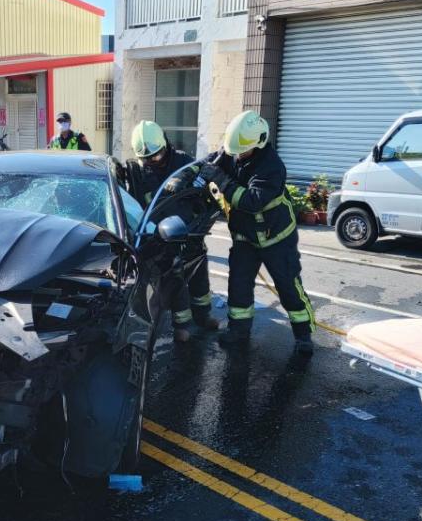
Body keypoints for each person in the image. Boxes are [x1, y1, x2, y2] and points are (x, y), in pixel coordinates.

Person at [173, 111, 315, 355]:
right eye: (234, 150)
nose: (236, 156)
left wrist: (220, 179)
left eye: (242, 151)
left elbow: (251, 201)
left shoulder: (271, 167)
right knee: (238, 285)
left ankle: (303, 336)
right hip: (244, 237)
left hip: (275, 237)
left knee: (288, 286)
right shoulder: (234, 151)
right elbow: (206, 163)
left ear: (258, 144)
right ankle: (238, 331)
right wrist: (185, 176)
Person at [129, 120, 218, 343]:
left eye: (156, 156)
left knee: (199, 274)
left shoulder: (182, 162)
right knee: (174, 277)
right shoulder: (137, 172)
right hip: (160, 236)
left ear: (165, 146)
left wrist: (191, 180)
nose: (151, 161)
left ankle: (204, 315)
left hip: (190, 229)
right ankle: (182, 325)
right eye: (146, 158)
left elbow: (205, 173)